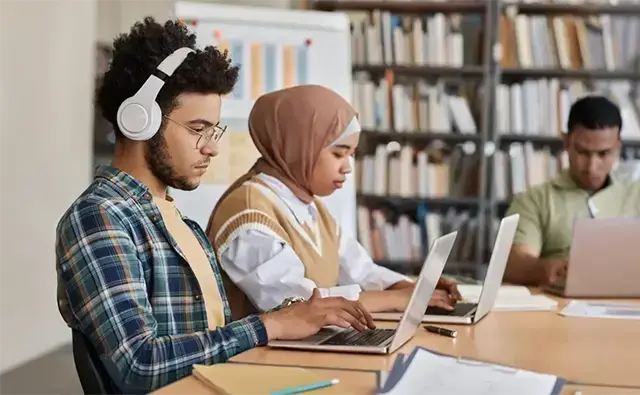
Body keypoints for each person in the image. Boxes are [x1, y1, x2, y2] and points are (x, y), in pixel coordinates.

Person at [55, 18, 374, 395]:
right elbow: (140, 364)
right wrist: (271, 326)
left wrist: (292, 319)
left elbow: (216, 345)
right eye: (197, 129)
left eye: (214, 130)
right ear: (141, 121)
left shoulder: (179, 221)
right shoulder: (101, 217)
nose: (212, 147)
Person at [206, 84, 461, 320]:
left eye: (351, 154)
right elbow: (299, 303)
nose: (347, 167)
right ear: (299, 146)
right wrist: (396, 299)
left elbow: (361, 272)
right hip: (255, 361)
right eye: (339, 153)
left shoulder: (309, 206)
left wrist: (412, 287)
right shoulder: (248, 212)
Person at [504, 95, 640, 286]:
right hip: (558, 309)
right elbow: (514, 263)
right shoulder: (534, 199)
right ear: (566, 142)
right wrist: (546, 269)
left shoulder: (636, 195)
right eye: (583, 152)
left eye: (604, 154)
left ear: (618, 147)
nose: (592, 166)